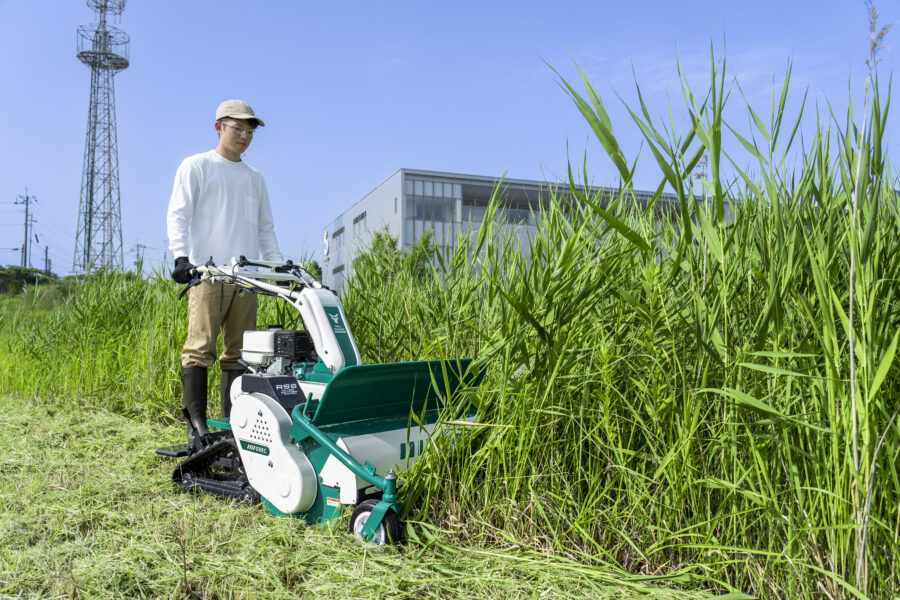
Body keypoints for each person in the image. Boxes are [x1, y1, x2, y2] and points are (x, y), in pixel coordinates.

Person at [166, 99, 283, 447]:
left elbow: (266, 231)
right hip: (208, 273)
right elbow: (178, 214)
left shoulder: (255, 178)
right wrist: (180, 257)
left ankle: (234, 424)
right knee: (199, 348)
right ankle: (196, 426)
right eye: (238, 129)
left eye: (250, 131)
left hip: (245, 279)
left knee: (240, 354)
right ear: (219, 127)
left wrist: (276, 271)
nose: (244, 136)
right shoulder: (197, 166)